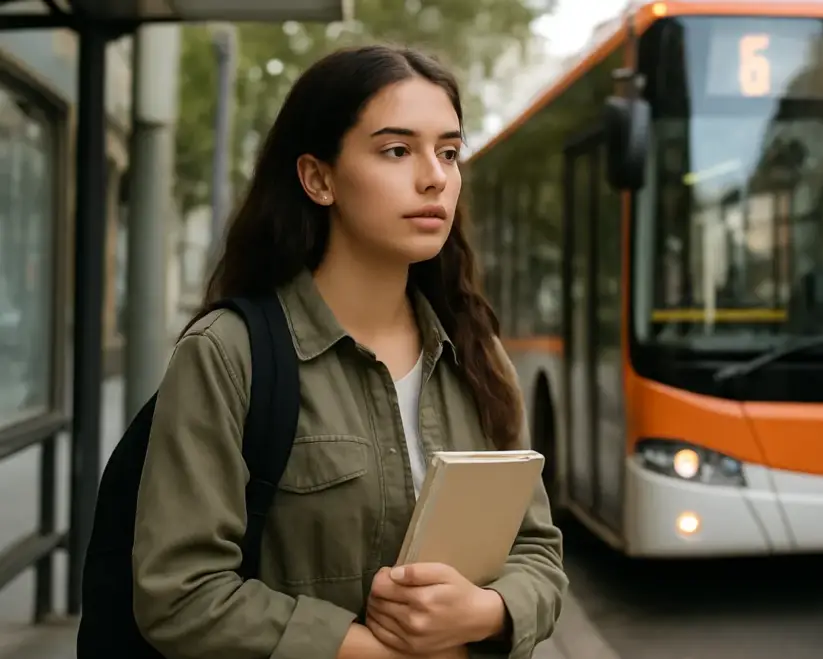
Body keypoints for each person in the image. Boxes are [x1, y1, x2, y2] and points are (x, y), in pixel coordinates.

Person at [130, 45, 567, 659]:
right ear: (318, 178)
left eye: (448, 152)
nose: (435, 177)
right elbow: (180, 593)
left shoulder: (478, 355)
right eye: (396, 150)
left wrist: (486, 611)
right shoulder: (228, 354)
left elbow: (538, 552)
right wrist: (362, 648)